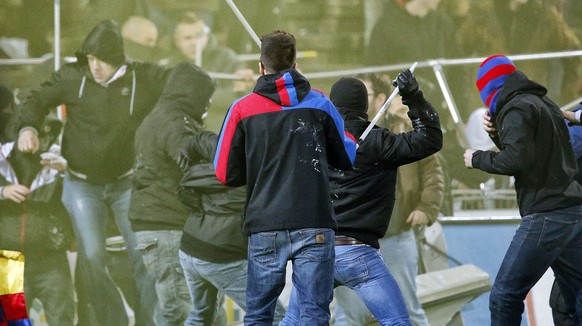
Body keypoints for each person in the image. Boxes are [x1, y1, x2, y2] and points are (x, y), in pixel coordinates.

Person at [15, 19, 170, 325]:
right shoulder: (73, 76)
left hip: (126, 181)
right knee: (92, 257)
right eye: (91, 59)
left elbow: (183, 83)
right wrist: (27, 127)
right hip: (81, 183)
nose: (96, 67)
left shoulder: (142, 77)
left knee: (145, 255)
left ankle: (148, 321)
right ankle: (113, 321)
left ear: (118, 60)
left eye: (103, 61)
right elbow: (35, 100)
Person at [214, 30, 357, 325]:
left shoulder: (241, 109)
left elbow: (224, 173)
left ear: (260, 66)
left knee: (258, 315)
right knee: (314, 312)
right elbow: (347, 157)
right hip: (314, 220)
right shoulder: (320, 104)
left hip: (265, 223)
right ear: (295, 62)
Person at [283, 71, 443, 325]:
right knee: (399, 321)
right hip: (359, 253)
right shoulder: (380, 142)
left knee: (296, 321)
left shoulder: (312, 140)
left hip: (316, 250)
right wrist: (414, 98)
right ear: (365, 106)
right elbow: (432, 138)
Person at [464, 54, 582, 324]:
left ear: (489, 87)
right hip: (573, 211)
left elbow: (515, 159)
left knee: (504, 295)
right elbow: (537, 152)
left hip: (546, 213)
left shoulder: (516, 107)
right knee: (576, 296)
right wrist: (497, 133)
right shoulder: (544, 102)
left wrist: (477, 158)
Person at [333, 73, 444, 326]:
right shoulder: (338, 138)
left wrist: (426, 207)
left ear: (381, 99)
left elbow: (432, 172)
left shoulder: (397, 131)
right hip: (351, 241)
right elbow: (431, 137)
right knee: (358, 317)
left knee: (408, 310)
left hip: (394, 233)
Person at [128, 62, 216, 325]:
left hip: (158, 224)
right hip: (166, 227)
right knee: (182, 308)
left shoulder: (160, 116)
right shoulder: (175, 124)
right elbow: (194, 169)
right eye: (205, 97)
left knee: (185, 306)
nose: (208, 104)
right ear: (192, 94)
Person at [178, 162, 286, 325]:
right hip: (220, 255)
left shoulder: (216, 170)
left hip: (189, 246)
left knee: (200, 315)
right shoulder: (253, 183)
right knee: (271, 316)